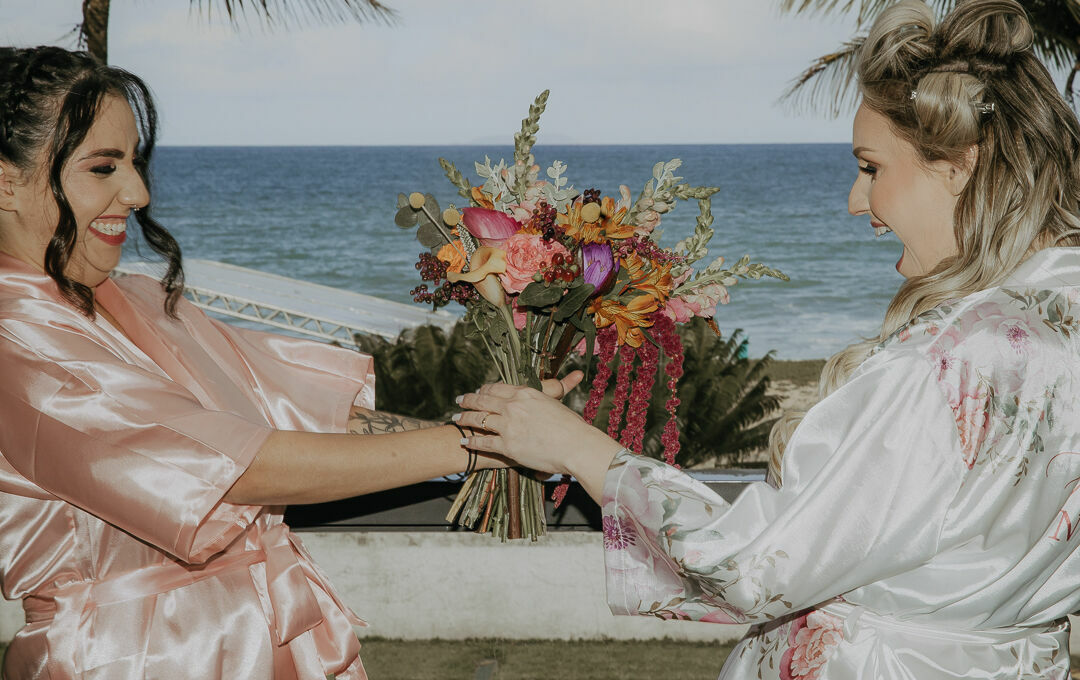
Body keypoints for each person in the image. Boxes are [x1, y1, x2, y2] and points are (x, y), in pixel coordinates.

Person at [456, 1, 1080, 677]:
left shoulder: (947, 361)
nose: (854, 200)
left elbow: (755, 565)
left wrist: (573, 446)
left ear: (959, 164)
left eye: (871, 167)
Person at [0, 46, 577, 679]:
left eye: (134, 163)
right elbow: (236, 469)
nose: (136, 192)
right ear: (6, 181)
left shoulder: (129, 299)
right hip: (133, 658)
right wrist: (473, 447)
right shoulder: (18, 342)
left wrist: (514, 424)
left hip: (251, 643)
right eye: (103, 167)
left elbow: (305, 418)